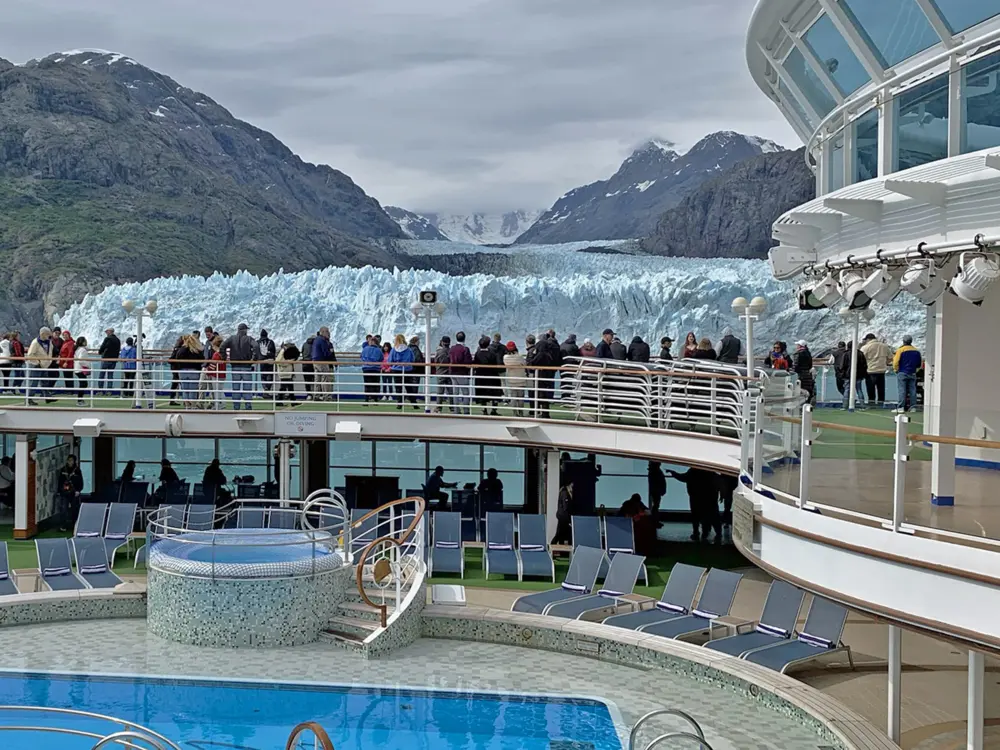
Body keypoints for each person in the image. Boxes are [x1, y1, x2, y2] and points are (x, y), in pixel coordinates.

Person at [668, 467, 721, 542]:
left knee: (696, 516)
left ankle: (697, 532)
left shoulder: (692, 471)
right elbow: (719, 482)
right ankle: (714, 533)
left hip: (695, 498)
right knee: (713, 516)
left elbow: (683, 477)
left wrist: (674, 473)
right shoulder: (710, 472)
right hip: (710, 499)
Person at [222, 323, 257, 409]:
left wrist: (225, 357)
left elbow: (222, 346)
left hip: (235, 366)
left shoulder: (232, 338)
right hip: (246, 366)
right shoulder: (248, 339)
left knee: (236, 388)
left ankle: (236, 406)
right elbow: (256, 346)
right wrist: (253, 359)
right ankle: (248, 406)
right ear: (245, 330)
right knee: (247, 388)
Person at [26, 327, 56, 405]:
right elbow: (30, 355)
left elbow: (50, 351)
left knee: (45, 381)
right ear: (42, 334)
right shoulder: (35, 343)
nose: (49, 336)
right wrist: (37, 362)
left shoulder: (49, 342)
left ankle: (47, 397)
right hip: (37, 365)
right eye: (47, 334)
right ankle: (29, 399)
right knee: (34, 382)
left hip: (45, 365)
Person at [473, 335, 502, 416]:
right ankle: (494, 409)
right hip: (492, 377)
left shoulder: (477, 354)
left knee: (482, 393)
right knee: (494, 393)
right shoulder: (492, 353)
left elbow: (476, 364)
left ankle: (484, 409)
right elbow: (496, 364)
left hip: (481, 377)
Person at [860, 333, 892, 405]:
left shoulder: (865, 347)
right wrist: (885, 363)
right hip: (881, 371)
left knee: (870, 389)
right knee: (881, 389)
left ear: (868, 339)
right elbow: (890, 358)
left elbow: (860, 359)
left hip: (870, 371)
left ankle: (871, 403)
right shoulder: (884, 346)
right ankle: (881, 403)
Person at [893, 335, 922, 413]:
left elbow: (895, 362)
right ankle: (913, 407)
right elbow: (919, 364)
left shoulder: (900, 350)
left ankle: (901, 407)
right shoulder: (916, 351)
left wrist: (896, 369)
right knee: (913, 390)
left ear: (903, 341)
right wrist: (916, 370)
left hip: (902, 372)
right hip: (912, 373)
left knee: (902, 390)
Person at [56, 454, 84, 532]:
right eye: (69, 460)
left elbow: (81, 482)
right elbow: (60, 481)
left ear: (74, 461)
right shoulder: (63, 470)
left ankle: (74, 525)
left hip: (74, 493)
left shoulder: (77, 471)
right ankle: (63, 526)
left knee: (74, 509)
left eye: (71, 460)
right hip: (64, 493)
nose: (70, 462)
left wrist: (78, 490)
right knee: (63, 509)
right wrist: (59, 491)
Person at [388, 333, 416, 409]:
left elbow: (390, 361)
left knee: (398, 388)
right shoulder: (408, 349)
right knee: (409, 387)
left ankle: (399, 403)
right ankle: (414, 403)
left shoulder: (394, 349)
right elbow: (413, 359)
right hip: (407, 370)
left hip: (396, 370)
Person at [449, 331, 473, 415]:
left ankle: (456, 410)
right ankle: (466, 411)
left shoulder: (452, 348)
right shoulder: (465, 349)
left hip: (453, 373)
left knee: (455, 392)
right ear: (464, 338)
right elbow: (468, 361)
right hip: (462, 373)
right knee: (465, 393)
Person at [311, 326, 337, 401]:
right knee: (325, 378)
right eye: (327, 331)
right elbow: (326, 353)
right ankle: (327, 396)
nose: (329, 333)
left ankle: (316, 395)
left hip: (315, 361)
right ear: (323, 332)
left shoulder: (316, 340)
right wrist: (331, 351)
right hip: (322, 361)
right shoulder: (322, 340)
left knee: (317, 378)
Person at [503, 341, 526, 416]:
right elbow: (524, 363)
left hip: (511, 380)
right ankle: (521, 413)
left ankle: (514, 413)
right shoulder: (520, 357)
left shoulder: (505, 358)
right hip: (521, 379)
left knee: (513, 398)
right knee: (521, 398)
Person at [97, 327, 121, 395]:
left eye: (107, 332)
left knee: (102, 375)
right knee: (110, 375)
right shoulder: (117, 340)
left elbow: (103, 346)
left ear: (110, 332)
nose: (106, 333)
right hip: (114, 360)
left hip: (106, 358)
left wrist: (100, 352)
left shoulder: (107, 339)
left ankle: (100, 390)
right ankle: (109, 391)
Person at [275, 341, 300, 406]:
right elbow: (279, 361)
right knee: (285, 388)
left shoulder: (285, 351)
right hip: (285, 372)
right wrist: (289, 361)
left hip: (287, 372)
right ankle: (282, 401)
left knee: (287, 387)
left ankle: (291, 401)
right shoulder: (283, 351)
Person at [205, 336, 226, 409]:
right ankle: (222, 404)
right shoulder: (223, 354)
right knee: (220, 390)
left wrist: (207, 372)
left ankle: (218, 405)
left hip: (216, 375)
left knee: (216, 391)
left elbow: (212, 366)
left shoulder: (216, 355)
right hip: (222, 375)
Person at [360, 335, 384, 402]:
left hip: (366, 368)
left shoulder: (365, 349)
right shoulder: (378, 350)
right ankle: (375, 399)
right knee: (375, 383)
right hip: (376, 368)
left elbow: (361, 356)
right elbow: (381, 358)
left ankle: (366, 399)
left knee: (367, 383)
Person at [433, 335, 453, 412]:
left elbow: (436, 361)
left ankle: (439, 407)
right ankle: (452, 406)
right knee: (450, 391)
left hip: (440, 373)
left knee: (440, 391)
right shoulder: (451, 351)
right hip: (449, 373)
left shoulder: (439, 352)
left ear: (442, 342)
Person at [792, 340, 815, 404]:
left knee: (800, 388)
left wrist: (793, 371)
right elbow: (810, 364)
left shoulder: (798, 353)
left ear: (800, 346)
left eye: (797, 345)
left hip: (800, 374)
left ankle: (801, 403)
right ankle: (807, 402)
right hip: (807, 373)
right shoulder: (808, 353)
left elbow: (796, 365)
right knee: (807, 388)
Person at [257, 329, 277, 396]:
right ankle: (267, 390)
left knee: (263, 377)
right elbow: (274, 352)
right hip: (270, 361)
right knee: (270, 376)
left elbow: (255, 351)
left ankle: (265, 389)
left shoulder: (258, 342)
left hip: (262, 362)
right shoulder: (271, 342)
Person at [647, 461, 666, 526]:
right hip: (656, 491)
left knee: (655, 505)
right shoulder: (656, 471)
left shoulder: (653, 471)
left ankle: (654, 520)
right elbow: (660, 481)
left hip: (655, 491)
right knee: (656, 505)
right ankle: (654, 521)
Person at [72, 336, 91, 406]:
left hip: (77, 369)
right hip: (81, 369)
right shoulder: (83, 350)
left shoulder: (78, 349)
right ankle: (79, 400)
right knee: (83, 384)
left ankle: (80, 399)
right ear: (83, 342)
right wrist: (88, 365)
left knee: (83, 384)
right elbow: (81, 360)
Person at [832, 341, 851, 406]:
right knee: (847, 388)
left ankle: (847, 400)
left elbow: (830, 361)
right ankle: (849, 399)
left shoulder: (835, 353)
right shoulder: (848, 352)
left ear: (838, 346)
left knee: (840, 387)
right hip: (848, 373)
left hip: (838, 373)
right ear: (845, 346)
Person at [57, 330, 75, 396]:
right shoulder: (65, 342)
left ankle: (70, 390)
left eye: (66, 335)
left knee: (69, 376)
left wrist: (66, 362)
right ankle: (68, 390)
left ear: (69, 335)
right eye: (64, 335)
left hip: (68, 363)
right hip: (64, 362)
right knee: (67, 376)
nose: (65, 336)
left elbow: (70, 353)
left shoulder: (70, 343)